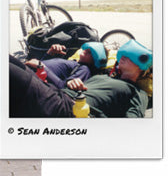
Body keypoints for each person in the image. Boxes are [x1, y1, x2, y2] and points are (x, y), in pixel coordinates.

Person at [9, 39, 152, 118]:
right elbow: (64, 85)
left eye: (132, 57)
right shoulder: (103, 77)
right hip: (57, 94)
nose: (125, 56)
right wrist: (71, 83)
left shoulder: (138, 93)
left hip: (67, 108)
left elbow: (131, 125)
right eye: (124, 54)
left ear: (143, 69)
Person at [23, 42, 107, 89]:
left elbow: (63, 87)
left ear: (95, 62)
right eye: (86, 49)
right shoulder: (75, 63)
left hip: (31, 78)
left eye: (90, 53)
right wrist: (49, 53)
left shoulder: (85, 69)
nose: (85, 51)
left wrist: (41, 67)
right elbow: (42, 64)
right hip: (30, 71)